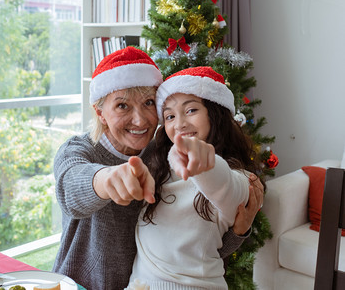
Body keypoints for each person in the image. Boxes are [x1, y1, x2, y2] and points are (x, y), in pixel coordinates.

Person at [52, 48, 263, 290]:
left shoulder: (161, 156)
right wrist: (107, 179)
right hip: (79, 285)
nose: (140, 120)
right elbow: (70, 189)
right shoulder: (79, 149)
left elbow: (189, 244)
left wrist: (237, 231)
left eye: (148, 103)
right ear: (100, 113)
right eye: (122, 106)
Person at [127, 66, 265, 289]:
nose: (179, 124)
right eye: (170, 116)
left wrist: (202, 161)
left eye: (191, 110)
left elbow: (226, 187)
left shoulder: (240, 177)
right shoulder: (156, 166)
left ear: (214, 113)